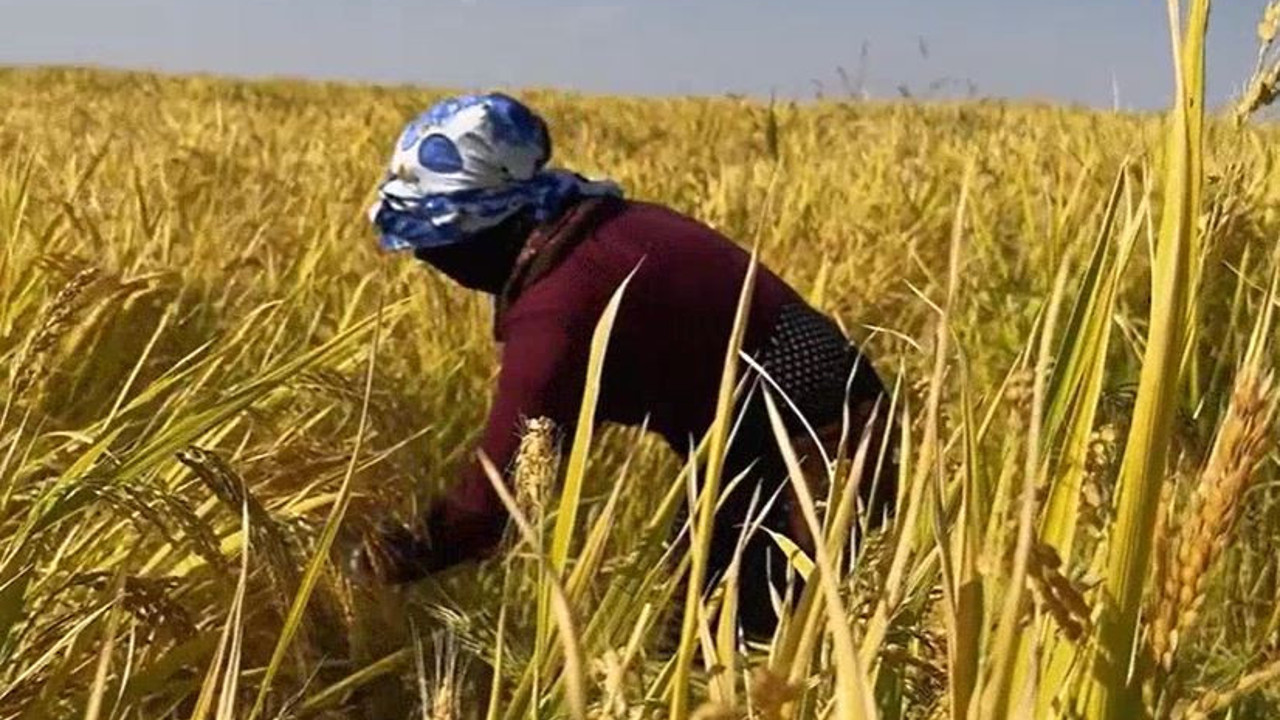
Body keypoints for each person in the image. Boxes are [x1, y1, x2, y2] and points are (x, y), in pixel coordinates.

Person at [352, 93, 896, 638]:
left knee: (729, 653)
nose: (427, 258)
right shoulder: (614, 225)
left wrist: (397, 558)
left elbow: (498, 492)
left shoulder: (560, 310)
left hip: (816, 456)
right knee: (705, 631)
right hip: (785, 439)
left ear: (490, 226)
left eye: (437, 241)